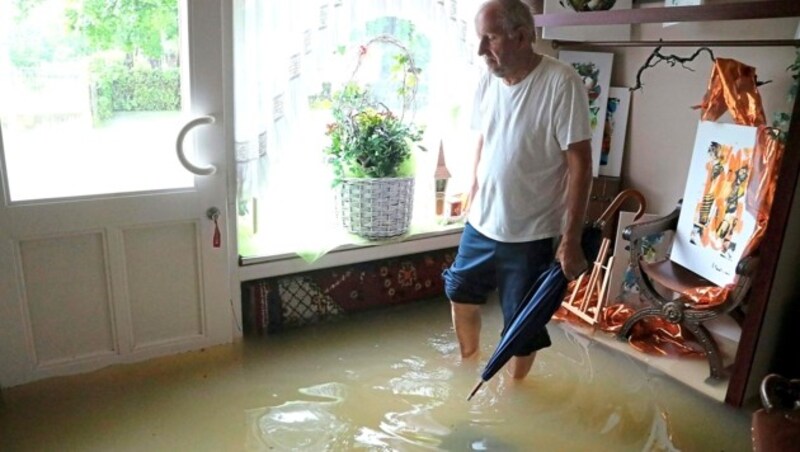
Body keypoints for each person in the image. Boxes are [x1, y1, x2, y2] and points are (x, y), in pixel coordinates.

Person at [442, 0, 593, 380]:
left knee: (521, 323)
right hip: (482, 222)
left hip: (531, 231)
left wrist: (571, 239)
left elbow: (580, 163)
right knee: (460, 293)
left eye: (488, 39)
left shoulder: (561, 82)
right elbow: (484, 139)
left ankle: (516, 390)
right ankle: (468, 364)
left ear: (522, 36)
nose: (480, 52)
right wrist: (470, 186)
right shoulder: (486, 81)